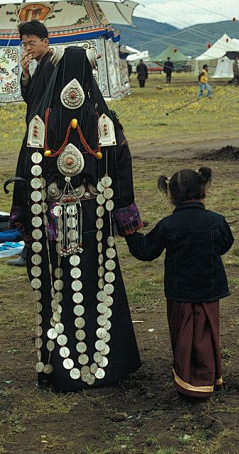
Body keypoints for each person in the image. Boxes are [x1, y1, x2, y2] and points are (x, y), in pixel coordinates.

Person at [8, 46, 142, 392]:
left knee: (59, 284)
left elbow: (26, 169)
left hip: (52, 219)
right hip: (92, 216)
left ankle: (59, 368)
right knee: (99, 281)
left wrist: (26, 218)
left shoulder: (43, 117)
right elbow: (120, 169)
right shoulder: (104, 119)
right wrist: (126, 220)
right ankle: (108, 366)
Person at [126, 167, 234, 399]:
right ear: (203, 189)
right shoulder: (216, 221)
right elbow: (226, 244)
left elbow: (146, 251)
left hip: (180, 293)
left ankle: (187, 381)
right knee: (207, 334)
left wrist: (131, 232)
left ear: (171, 196)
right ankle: (209, 378)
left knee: (184, 336)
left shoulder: (168, 225)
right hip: (209, 289)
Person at [7, 21, 55, 266]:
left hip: (44, 139)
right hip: (34, 134)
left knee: (34, 188)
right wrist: (26, 75)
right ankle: (31, 246)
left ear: (45, 42)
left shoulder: (54, 66)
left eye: (32, 43)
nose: (28, 48)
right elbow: (32, 100)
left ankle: (34, 247)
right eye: (24, 44)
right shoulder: (41, 66)